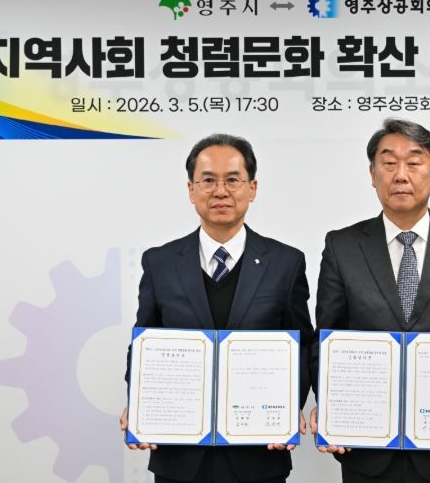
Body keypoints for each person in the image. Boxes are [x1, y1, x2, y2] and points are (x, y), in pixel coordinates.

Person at [309, 119, 430, 483]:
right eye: (388, 163)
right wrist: (332, 408)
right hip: (365, 451)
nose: (401, 175)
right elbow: (326, 341)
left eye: (414, 163)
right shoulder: (341, 246)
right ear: (372, 174)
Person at [120, 133, 314, 483]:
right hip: (179, 457)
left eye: (233, 180)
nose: (220, 191)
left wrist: (289, 410)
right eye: (208, 180)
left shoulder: (286, 263)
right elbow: (144, 345)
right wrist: (139, 405)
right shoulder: (160, 263)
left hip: (258, 455)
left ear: (252, 189)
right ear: (191, 190)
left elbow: (302, 345)